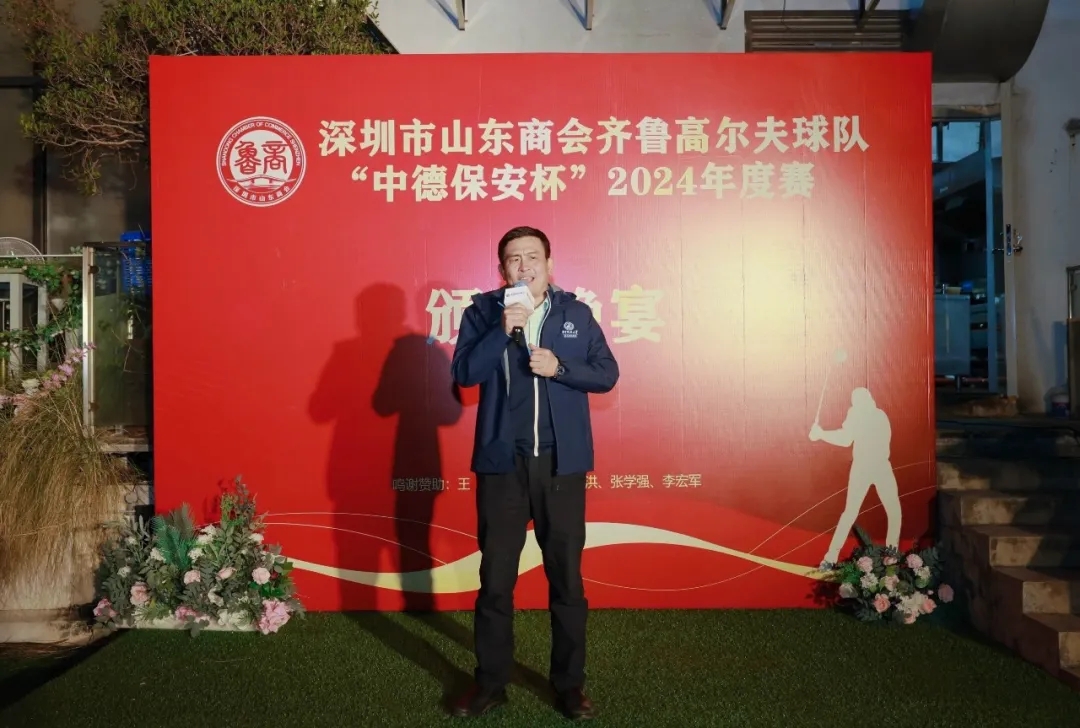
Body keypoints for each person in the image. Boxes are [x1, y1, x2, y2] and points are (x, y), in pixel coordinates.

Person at [449, 226, 619, 720]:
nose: (524, 266)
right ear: (502, 269)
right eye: (513, 259)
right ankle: (491, 683)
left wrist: (560, 368)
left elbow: (606, 373)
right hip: (502, 467)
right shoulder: (483, 313)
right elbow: (464, 374)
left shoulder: (575, 314)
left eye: (532, 257)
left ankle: (569, 686)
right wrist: (501, 330)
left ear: (549, 263)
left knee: (566, 580)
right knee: (495, 581)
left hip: (561, 467)